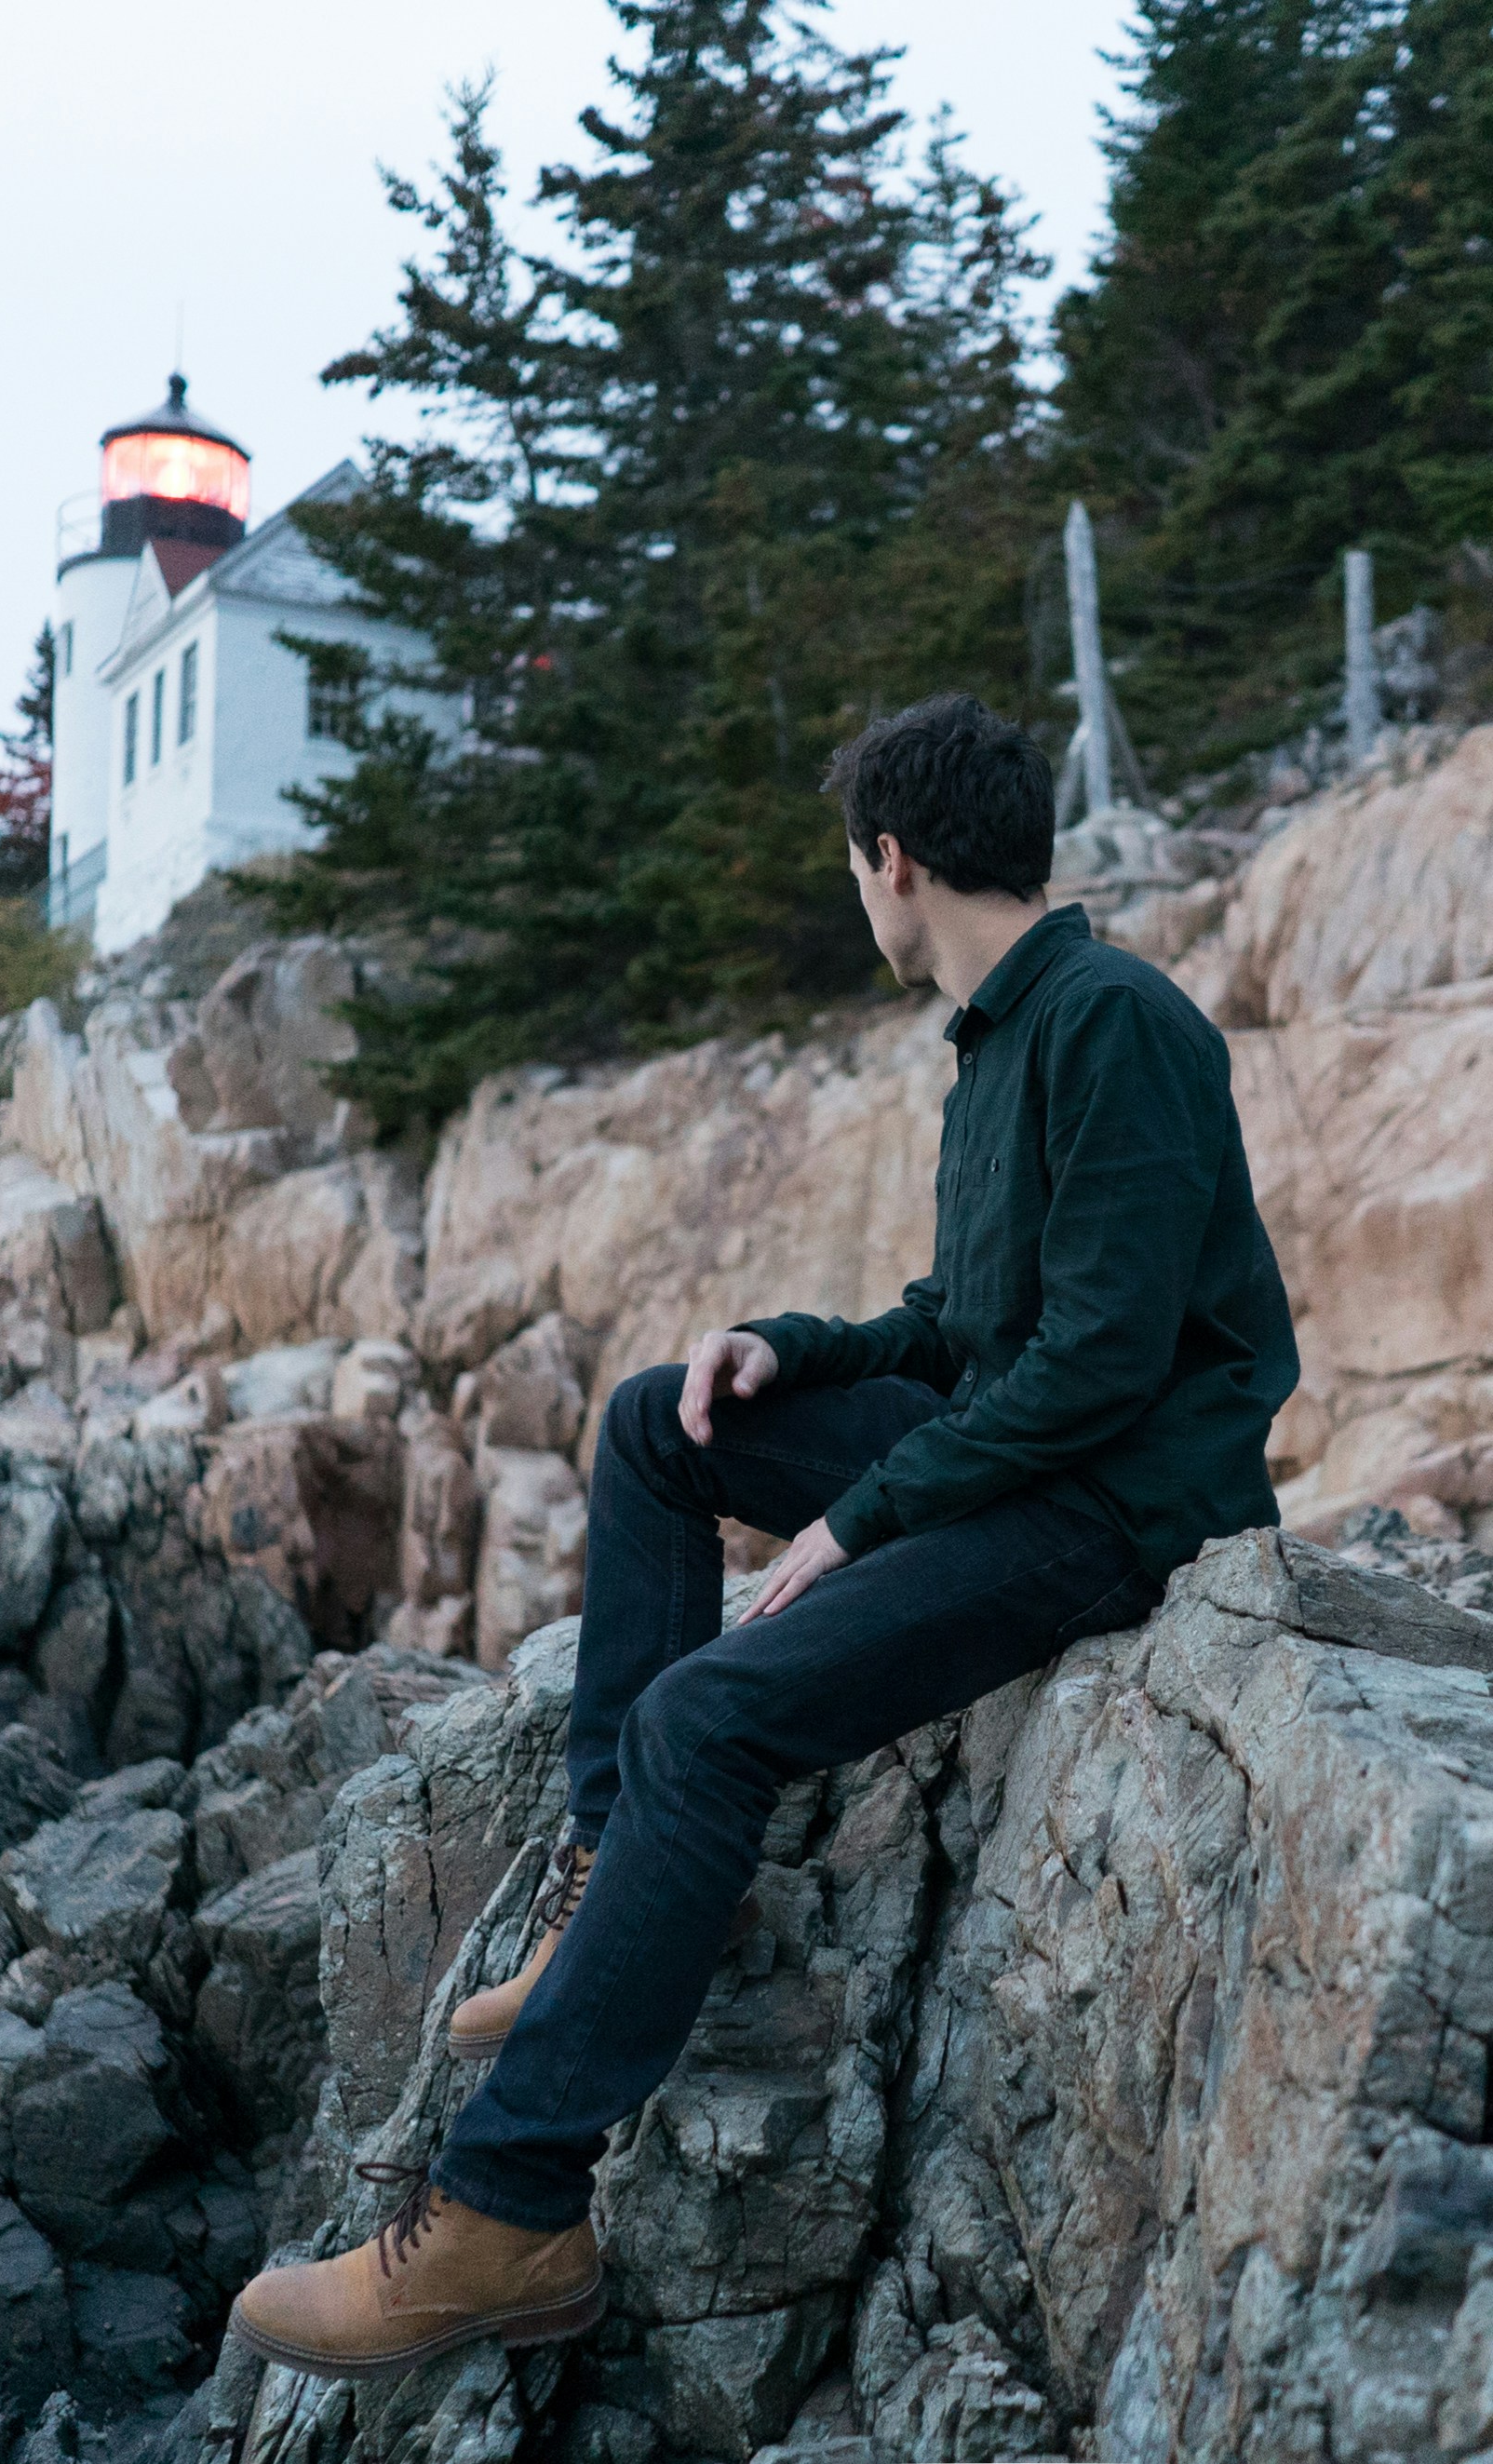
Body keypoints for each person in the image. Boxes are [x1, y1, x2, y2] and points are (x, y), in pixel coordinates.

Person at [230, 692, 1299, 2379]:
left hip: (1116, 1508)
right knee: (664, 1418)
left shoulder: (1117, 1024)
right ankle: (617, 1888)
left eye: (850, 865)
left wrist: (859, 1520)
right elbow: (964, 1328)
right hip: (1019, 1452)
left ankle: (508, 2214)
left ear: (892, 860)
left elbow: (1101, 1370)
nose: (853, 893)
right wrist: (788, 1354)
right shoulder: (999, 1036)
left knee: (705, 1715)